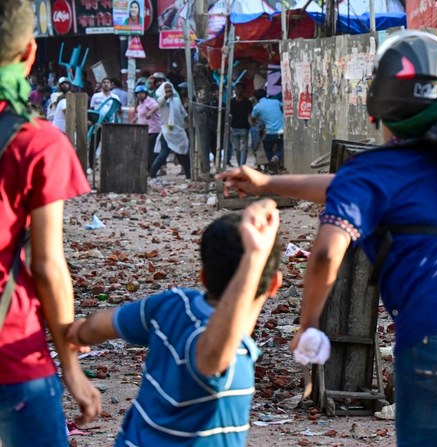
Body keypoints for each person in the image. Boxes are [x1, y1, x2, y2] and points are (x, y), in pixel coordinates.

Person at [220, 30, 437, 446]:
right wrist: (267, 182)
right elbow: (342, 184)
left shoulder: (373, 172)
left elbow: (324, 255)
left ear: (379, 106)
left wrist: (309, 325)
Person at [66, 199, 282, 446]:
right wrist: (254, 257)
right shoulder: (230, 353)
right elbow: (213, 355)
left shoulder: (172, 304)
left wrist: (79, 334)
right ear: (275, 284)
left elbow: (97, 326)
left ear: (202, 276)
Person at [0, 2, 101, 445]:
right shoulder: (38, 143)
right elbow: (47, 265)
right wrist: (72, 368)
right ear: (29, 52)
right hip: (12, 351)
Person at [148, 81, 190, 179]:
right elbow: (157, 105)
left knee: (182, 153)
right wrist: (150, 113)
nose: (168, 90)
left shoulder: (176, 100)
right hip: (167, 131)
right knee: (164, 152)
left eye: (170, 88)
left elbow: (183, 113)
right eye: (166, 89)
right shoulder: (161, 100)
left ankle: (189, 174)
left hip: (178, 131)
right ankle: (152, 174)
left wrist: (188, 123)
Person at [88, 77, 120, 172]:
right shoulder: (96, 96)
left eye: (108, 82)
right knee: (94, 144)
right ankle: (91, 166)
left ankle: (108, 166)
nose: (106, 84)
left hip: (110, 124)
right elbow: (92, 110)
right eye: (104, 82)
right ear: (101, 85)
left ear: (111, 85)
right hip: (97, 124)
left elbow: (118, 112)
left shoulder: (115, 97)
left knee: (109, 145)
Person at [251, 88, 283, 173]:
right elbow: (283, 107)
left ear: (256, 98)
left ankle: (272, 162)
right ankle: (277, 157)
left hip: (271, 133)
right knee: (281, 144)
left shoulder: (257, 107)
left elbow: (252, 120)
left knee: (266, 144)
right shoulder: (275, 101)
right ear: (266, 95)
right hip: (281, 130)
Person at [132, 85, 160, 173]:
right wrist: (135, 119)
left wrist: (150, 112)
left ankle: (152, 170)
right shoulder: (140, 104)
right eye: (138, 94)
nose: (140, 95)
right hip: (144, 131)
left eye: (142, 93)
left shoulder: (150, 101)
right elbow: (140, 114)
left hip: (153, 129)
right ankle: (149, 169)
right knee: (145, 150)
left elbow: (157, 106)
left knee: (150, 151)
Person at [230, 82, 253, 167]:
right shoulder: (231, 102)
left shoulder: (247, 102)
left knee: (243, 148)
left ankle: (242, 166)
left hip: (244, 127)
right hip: (234, 127)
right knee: (237, 149)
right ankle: (240, 165)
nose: (238, 90)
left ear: (243, 90)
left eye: (240, 88)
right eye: (237, 88)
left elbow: (250, 115)